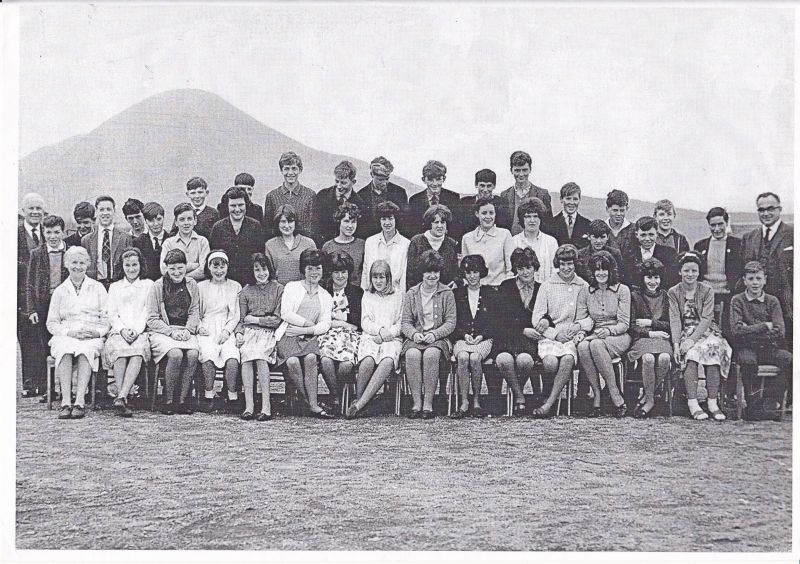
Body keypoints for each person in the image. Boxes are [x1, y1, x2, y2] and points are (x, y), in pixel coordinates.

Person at [46, 246, 110, 419]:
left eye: (82, 262)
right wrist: (69, 333)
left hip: (91, 333)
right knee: (64, 350)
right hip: (67, 334)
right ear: (67, 264)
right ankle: (66, 401)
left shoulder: (97, 288)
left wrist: (96, 333)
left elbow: (107, 318)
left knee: (86, 351)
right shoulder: (60, 291)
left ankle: (80, 401)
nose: (78, 266)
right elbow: (51, 323)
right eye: (74, 262)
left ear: (88, 264)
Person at [530, 244, 593, 417]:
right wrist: (555, 333)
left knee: (567, 360)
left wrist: (579, 327)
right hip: (551, 335)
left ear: (575, 264)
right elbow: (536, 318)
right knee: (550, 363)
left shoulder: (583, 286)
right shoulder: (547, 285)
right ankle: (550, 394)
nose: (566, 268)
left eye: (570, 264)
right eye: (563, 264)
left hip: (573, 337)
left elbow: (590, 317)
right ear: (558, 264)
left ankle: (549, 404)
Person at [668, 251, 732, 421]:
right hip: (685, 332)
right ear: (680, 271)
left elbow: (706, 318)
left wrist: (691, 340)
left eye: (694, 271)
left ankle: (712, 402)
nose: (690, 274)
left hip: (706, 331)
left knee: (713, 350)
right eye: (686, 270)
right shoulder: (673, 292)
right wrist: (677, 344)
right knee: (691, 355)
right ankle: (693, 403)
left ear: (698, 272)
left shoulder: (707, 290)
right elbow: (674, 319)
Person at [275, 249, 335, 418]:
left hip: (309, 336)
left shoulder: (325, 295)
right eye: (310, 268)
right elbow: (286, 313)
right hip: (289, 334)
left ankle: (313, 404)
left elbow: (325, 323)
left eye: (318, 268)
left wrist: (307, 330)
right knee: (293, 361)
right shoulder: (292, 287)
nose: (314, 272)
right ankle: (309, 403)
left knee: (310, 359)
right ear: (303, 269)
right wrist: (308, 323)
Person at [730, 261, 792, 421]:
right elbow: (736, 331)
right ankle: (753, 406)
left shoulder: (772, 301)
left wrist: (749, 329)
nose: (755, 283)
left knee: (790, 360)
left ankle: (769, 402)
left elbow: (780, 331)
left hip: (769, 348)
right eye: (751, 279)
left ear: (765, 279)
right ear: (744, 280)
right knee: (748, 362)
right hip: (746, 348)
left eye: (758, 278)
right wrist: (765, 325)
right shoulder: (737, 300)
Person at [400, 250, 456, 419]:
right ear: (422, 273)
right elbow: (406, 322)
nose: (432, 276)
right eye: (428, 272)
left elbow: (451, 322)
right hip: (417, 337)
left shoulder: (447, 293)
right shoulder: (412, 293)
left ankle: (428, 404)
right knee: (412, 354)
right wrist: (414, 334)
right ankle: (416, 402)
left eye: (435, 272)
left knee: (431, 354)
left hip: (438, 339)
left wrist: (435, 334)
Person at [346, 260, 404, 419]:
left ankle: (359, 404)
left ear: (388, 278)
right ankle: (361, 401)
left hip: (392, 339)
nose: (378, 281)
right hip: (371, 336)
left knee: (387, 359)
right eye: (375, 277)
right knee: (368, 360)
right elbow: (365, 321)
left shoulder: (398, 295)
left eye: (382, 277)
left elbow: (400, 322)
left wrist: (387, 333)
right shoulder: (368, 295)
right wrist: (378, 331)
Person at [576, 251, 631, 418]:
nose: (601, 273)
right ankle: (597, 395)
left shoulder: (622, 290)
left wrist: (608, 331)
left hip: (618, 335)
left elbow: (624, 324)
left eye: (604, 269)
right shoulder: (586, 291)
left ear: (611, 270)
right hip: (594, 334)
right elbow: (582, 319)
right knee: (584, 346)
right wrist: (580, 332)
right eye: (597, 270)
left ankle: (615, 395)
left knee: (595, 344)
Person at [146, 248, 201, 415]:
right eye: (172, 268)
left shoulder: (192, 285)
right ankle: (168, 400)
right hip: (163, 332)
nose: (176, 272)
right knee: (176, 354)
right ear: (166, 269)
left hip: (184, 330)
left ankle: (183, 400)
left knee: (192, 354)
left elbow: (194, 311)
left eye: (180, 268)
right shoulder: (158, 286)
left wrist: (189, 330)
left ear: (186, 267)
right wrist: (170, 332)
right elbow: (152, 318)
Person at [104, 247, 153, 417]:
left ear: (141, 265)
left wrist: (136, 330)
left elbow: (148, 311)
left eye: (134, 264)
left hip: (140, 331)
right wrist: (122, 330)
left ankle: (121, 396)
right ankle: (122, 397)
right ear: (122, 266)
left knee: (137, 352)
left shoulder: (148, 285)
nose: (131, 269)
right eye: (127, 265)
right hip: (119, 331)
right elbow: (111, 313)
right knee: (120, 351)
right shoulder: (115, 287)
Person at [494, 247, 543, 415]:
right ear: (515, 269)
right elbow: (499, 319)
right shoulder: (506, 287)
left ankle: (516, 392)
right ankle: (520, 396)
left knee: (525, 361)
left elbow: (548, 314)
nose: (525, 272)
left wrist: (544, 321)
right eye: (521, 268)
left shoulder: (542, 288)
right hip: (508, 337)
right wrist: (522, 330)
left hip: (530, 342)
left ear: (535, 267)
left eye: (529, 267)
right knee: (504, 359)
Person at [235, 253, 284, 422]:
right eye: (257, 270)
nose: (261, 273)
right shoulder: (246, 291)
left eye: (264, 269)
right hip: (249, 333)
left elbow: (277, 319)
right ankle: (249, 406)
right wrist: (239, 333)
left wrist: (256, 319)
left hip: (269, 333)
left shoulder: (278, 289)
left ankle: (266, 406)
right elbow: (241, 320)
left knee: (261, 356)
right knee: (247, 356)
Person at [25, 214, 70, 400]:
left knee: (66, 344)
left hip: (65, 305)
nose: (53, 236)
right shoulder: (37, 253)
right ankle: (49, 389)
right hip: (43, 305)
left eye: (56, 232)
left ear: (63, 233)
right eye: (49, 232)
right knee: (46, 348)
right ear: (43, 232)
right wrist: (32, 309)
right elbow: (29, 283)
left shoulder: (70, 251)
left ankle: (69, 387)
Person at [740, 192, 793, 347]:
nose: (766, 213)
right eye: (761, 210)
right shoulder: (749, 237)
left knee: (786, 352)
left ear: (780, 209)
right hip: (756, 306)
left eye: (770, 208)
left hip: (786, 304)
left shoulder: (793, 234)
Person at [197, 251, 242, 414]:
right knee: (208, 355)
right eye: (215, 266)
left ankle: (232, 396)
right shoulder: (200, 287)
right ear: (209, 267)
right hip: (207, 327)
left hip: (227, 327)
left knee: (232, 357)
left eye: (222, 266)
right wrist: (200, 326)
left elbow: (236, 314)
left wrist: (226, 331)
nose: (219, 270)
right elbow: (195, 311)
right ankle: (209, 395)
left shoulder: (235, 286)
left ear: (227, 267)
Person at [450, 255, 495, 418]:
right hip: (463, 338)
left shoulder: (490, 293)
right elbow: (453, 320)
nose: (472, 276)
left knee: (475, 358)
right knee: (462, 357)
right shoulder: (456, 294)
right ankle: (464, 402)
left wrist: (482, 335)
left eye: (476, 272)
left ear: (481, 272)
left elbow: (494, 321)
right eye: (468, 272)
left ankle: (476, 401)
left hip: (484, 339)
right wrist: (464, 335)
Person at [627, 258, 673, 418]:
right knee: (648, 359)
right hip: (643, 338)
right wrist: (651, 332)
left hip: (662, 338)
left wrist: (651, 323)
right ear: (642, 278)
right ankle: (650, 400)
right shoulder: (635, 296)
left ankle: (648, 396)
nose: (653, 281)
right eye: (649, 277)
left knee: (665, 358)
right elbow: (632, 325)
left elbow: (670, 324)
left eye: (656, 277)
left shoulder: (667, 296)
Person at [319, 252, 363, 412]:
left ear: (348, 273)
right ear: (330, 273)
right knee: (326, 361)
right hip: (328, 334)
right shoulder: (323, 292)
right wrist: (343, 323)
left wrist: (346, 322)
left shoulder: (357, 292)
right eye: (336, 272)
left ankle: (341, 395)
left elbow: (359, 320)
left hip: (350, 337)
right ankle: (336, 396)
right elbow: (320, 317)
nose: (340, 276)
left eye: (343, 272)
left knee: (346, 365)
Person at [693, 207, 744, 332]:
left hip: (729, 297)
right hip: (705, 297)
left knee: (727, 331)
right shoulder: (700, 246)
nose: (717, 229)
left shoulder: (738, 245)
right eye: (713, 225)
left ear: (726, 223)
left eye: (720, 224)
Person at [18, 193, 46, 397]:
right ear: (23, 211)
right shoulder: (14, 235)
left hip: (43, 296)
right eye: (31, 209)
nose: (35, 212)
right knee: (27, 339)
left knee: (42, 339)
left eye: (38, 208)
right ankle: (29, 383)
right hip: (21, 295)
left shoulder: (48, 232)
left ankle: (44, 383)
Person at [209, 186, 264, 286]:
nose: (237, 209)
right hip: (225, 282)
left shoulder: (255, 226)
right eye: (233, 206)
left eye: (241, 205)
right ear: (227, 206)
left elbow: (260, 255)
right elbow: (214, 256)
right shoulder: (218, 228)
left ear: (246, 205)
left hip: (250, 283)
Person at [461, 196, 515, 287]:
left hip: (499, 289)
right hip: (476, 289)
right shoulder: (467, 238)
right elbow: (466, 271)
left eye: (491, 213)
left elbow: (510, 269)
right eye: (484, 213)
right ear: (477, 214)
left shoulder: (505, 234)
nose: (488, 217)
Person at [82, 195, 133, 289]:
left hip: (119, 286)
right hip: (95, 286)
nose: (105, 213)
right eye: (101, 210)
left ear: (114, 211)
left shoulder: (125, 238)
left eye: (108, 209)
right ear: (96, 212)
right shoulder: (87, 240)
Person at [263, 152, 316, 240]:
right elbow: (268, 229)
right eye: (287, 169)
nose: (290, 173)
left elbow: (312, 228)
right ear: (281, 170)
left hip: (304, 247)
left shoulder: (310, 195)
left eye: (294, 168)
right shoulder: (272, 196)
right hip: (279, 248)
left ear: (300, 170)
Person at [406, 204, 460, 289]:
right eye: (436, 222)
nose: (440, 226)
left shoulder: (452, 244)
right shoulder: (416, 242)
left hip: (445, 294)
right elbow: (410, 273)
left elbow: (456, 272)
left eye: (442, 222)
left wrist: (455, 282)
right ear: (430, 223)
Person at [313, 161, 366, 245]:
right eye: (337, 181)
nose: (339, 186)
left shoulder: (360, 203)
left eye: (343, 183)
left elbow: (359, 232)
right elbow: (315, 226)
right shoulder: (322, 196)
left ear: (353, 182)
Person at [500, 151, 553, 235]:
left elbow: (548, 225)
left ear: (530, 170)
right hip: (511, 243)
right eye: (517, 170)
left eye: (524, 170)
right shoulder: (504, 195)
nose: (521, 174)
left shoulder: (542, 195)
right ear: (511, 170)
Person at [361, 201, 410, 292]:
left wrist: (402, 297)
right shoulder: (370, 242)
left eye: (390, 218)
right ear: (379, 220)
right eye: (383, 219)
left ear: (396, 219)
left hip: (396, 293)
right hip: (373, 293)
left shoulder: (406, 244)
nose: (387, 223)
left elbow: (404, 275)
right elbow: (366, 270)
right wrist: (365, 292)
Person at [407, 160, 462, 241]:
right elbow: (413, 229)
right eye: (430, 179)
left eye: (438, 179)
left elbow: (456, 227)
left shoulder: (453, 198)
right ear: (423, 179)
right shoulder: (414, 200)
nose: (434, 183)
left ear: (444, 179)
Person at [355, 156, 409, 239]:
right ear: (372, 174)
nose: (384, 183)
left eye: (386, 179)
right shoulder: (360, 195)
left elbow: (405, 222)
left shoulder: (399, 193)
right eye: (380, 179)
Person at [264, 204, 317, 286]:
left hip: (303, 291)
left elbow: (314, 271)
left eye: (290, 221)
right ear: (278, 223)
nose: (286, 225)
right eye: (283, 221)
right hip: (280, 292)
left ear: (296, 222)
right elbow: (270, 275)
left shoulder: (309, 243)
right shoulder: (270, 245)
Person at [620, 216, 679, 290]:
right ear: (636, 235)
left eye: (651, 234)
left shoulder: (670, 253)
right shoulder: (628, 254)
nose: (647, 239)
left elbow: (673, 281)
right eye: (643, 235)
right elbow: (626, 281)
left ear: (657, 234)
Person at [512, 197, 559, 283]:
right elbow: (511, 271)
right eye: (528, 216)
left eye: (536, 216)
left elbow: (555, 271)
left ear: (541, 218)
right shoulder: (514, 241)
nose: (532, 220)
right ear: (522, 218)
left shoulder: (551, 242)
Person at [160, 203, 210, 281]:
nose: (186, 223)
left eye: (189, 219)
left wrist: (180, 276)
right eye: (182, 219)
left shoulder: (202, 241)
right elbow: (164, 269)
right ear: (176, 222)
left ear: (195, 221)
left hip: (197, 287)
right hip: (174, 288)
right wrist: (194, 266)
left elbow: (204, 270)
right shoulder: (168, 243)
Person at [321, 202, 365, 287]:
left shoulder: (362, 244)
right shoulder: (328, 246)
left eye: (353, 222)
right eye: (346, 221)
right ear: (339, 222)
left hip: (358, 293)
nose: (350, 225)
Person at [460, 168, 512, 233]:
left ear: (494, 186)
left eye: (489, 186)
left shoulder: (501, 203)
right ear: (476, 185)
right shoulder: (465, 202)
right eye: (482, 186)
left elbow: (505, 226)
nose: (485, 190)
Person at [543, 182, 591, 249]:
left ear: (580, 200)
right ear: (561, 199)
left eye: (575, 199)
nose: (572, 203)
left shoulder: (588, 224)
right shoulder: (550, 224)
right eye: (568, 198)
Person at [133, 202, 168, 281]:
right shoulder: (138, 242)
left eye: (159, 219)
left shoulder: (171, 239)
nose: (156, 224)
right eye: (151, 220)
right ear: (145, 221)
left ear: (163, 218)